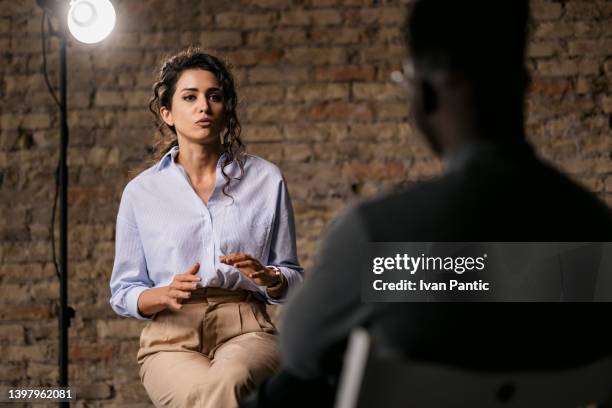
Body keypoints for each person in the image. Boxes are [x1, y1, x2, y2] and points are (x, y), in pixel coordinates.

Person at [243, 1, 612, 406]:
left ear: (426, 92)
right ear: (522, 84)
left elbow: (300, 348)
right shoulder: (596, 228)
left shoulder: (381, 238)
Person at [109, 48, 303, 408]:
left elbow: (293, 277)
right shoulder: (141, 192)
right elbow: (123, 291)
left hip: (247, 329)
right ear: (167, 113)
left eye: (215, 96)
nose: (204, 106)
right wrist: (163, 294)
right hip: (170, 337)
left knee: (226, 382)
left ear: (226, 108)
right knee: (209, 397)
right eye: (190, 97)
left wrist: (269, 276)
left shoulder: (266, 179)